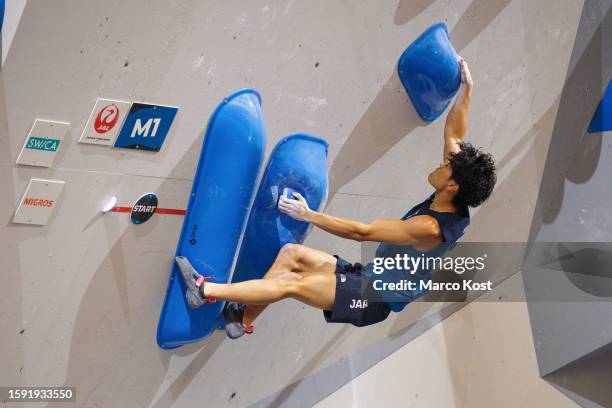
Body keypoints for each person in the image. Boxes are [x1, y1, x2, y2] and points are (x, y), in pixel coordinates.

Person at [176, 59, 496, 339]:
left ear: (452, 186)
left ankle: (204, 291)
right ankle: (242, 319)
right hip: (368, 275)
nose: (442, 164)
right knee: (290, 255)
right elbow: (454, 135)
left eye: (446, 168)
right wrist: (468, 88)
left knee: (291, 284)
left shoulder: (429, 227)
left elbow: (364, 232)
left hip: (372, 298)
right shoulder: (453, 191)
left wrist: (309, 214)